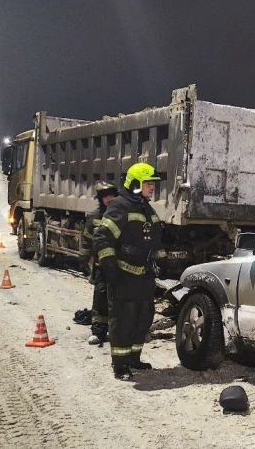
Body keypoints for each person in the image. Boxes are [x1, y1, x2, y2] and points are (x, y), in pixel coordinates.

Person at [93, 163, 166, 381]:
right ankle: (120, 366)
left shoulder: (145, 207)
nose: (152, 188)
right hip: (124, 274)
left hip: (144, 275)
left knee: (143, 318)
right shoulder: (120, 205)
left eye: (153, 184)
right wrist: (111, 269)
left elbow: (154, 240)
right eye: (148, 183)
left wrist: (163, 262)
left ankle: (134, 358)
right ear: (135, 184)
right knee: (123, 320)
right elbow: (102, 238)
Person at [81, 181, 119, 346]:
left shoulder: (121, 215)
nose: (109, 199)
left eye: (112, 195)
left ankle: (117, 331)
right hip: (101, 267)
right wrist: (84, 260)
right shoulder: (94, 217)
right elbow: (87, 241)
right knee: (100, 297)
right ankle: (98, 332)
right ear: (100, 198)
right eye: (106, 196)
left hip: (119, 266)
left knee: (118, 300)